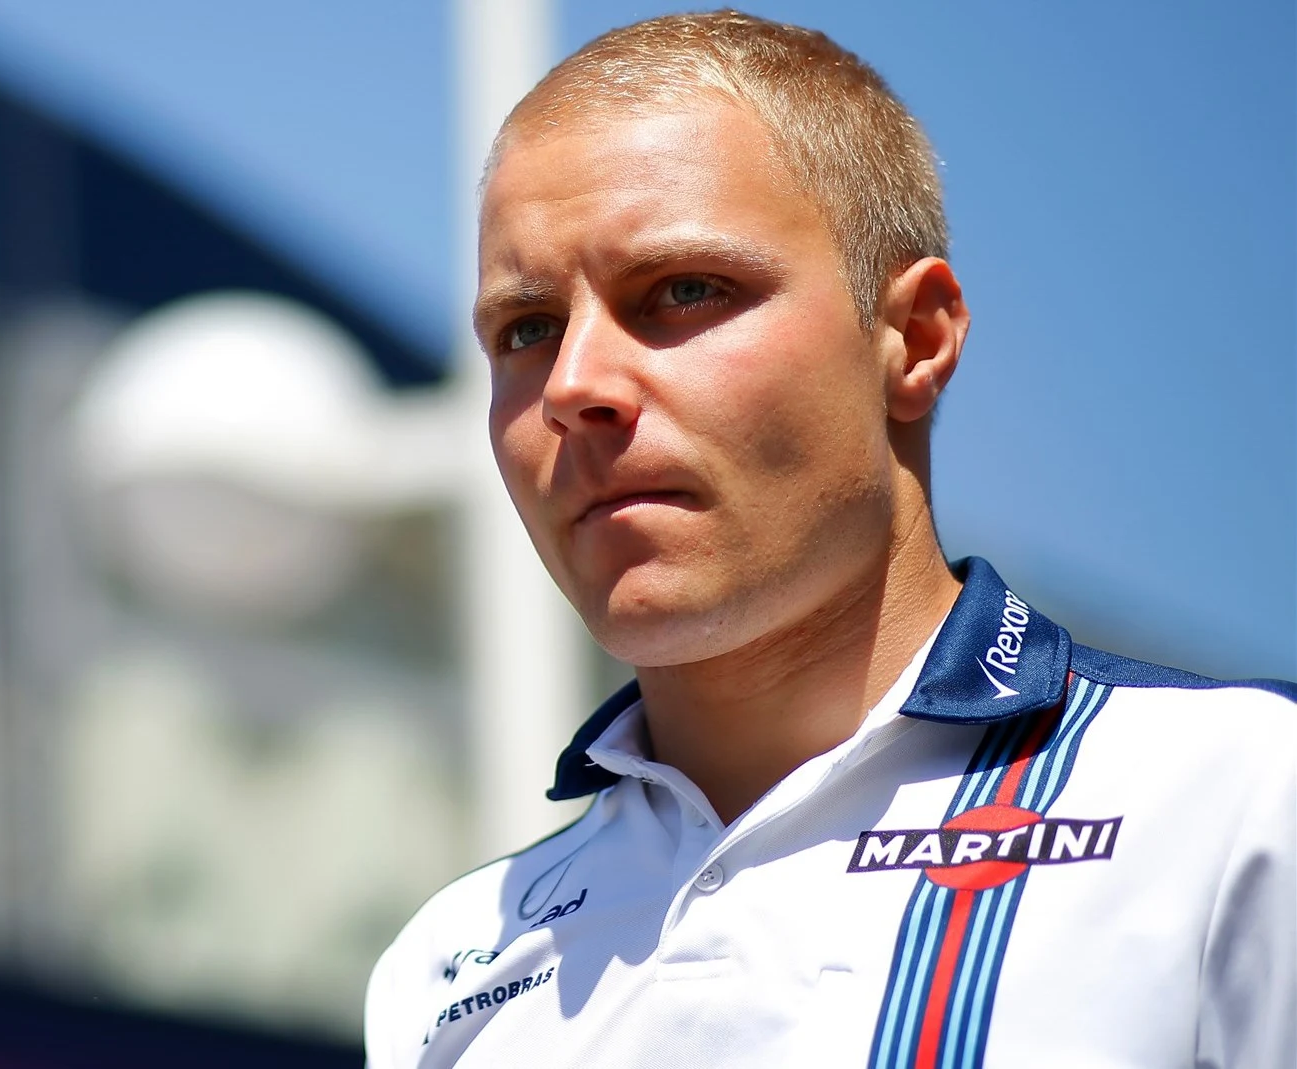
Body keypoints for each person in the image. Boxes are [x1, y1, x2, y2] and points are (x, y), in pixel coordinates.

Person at [363, 11, 1295, 1069]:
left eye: (679, 291)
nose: (573, 386)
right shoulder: (447, 964)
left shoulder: (1241, 802)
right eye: (526, 328)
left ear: (917, 338)